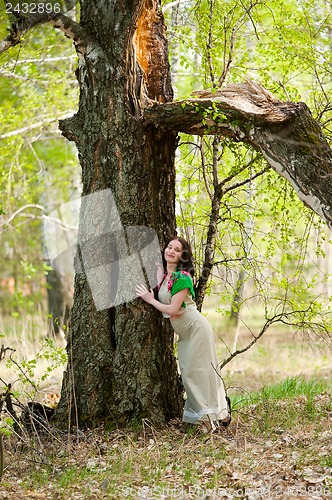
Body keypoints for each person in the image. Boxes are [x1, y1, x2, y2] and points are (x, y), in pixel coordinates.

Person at [136, 236, 230, 433]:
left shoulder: (183, 277)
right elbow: (166, 295)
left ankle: (209, 419)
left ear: (183, 256)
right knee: (190, 373)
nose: (171, 251)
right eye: (169, 247)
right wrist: (159, 272)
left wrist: (150, 300)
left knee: (195, 374)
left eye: (177, 250)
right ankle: (206, 417)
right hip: (186, 333)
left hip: (196, 329)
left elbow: (171, 309)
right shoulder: (168, 277)